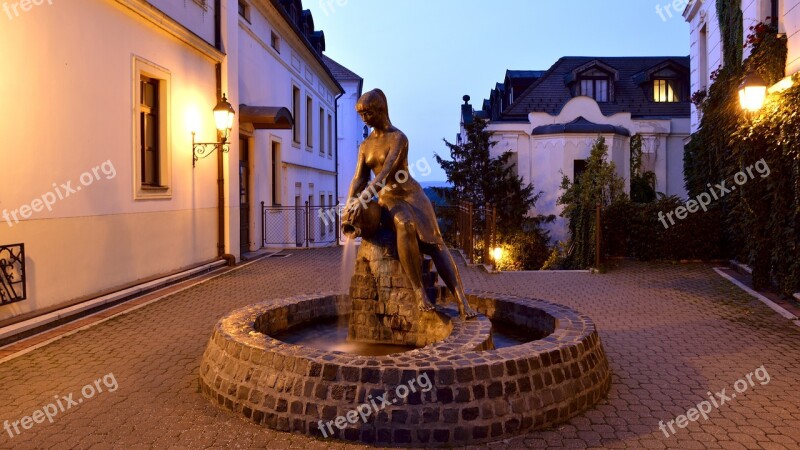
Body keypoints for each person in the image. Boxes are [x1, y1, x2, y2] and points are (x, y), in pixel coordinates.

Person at [344, 89, 478, 320]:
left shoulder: (398, 138)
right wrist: (350, 203)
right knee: (404, 224)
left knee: (436, 243)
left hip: (411, 194)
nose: (364, 118)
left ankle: (461, 300)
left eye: (367, 113)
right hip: (388, 198)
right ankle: (419, 293)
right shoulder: (365, 146)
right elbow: (359, 178)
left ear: (380, 110)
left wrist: (364, 197)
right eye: (361, 114)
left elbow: (387, 172)